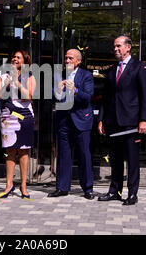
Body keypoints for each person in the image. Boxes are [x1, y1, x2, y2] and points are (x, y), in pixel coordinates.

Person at [97, 35, 146, 205]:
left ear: (128, 47)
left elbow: (145, 96)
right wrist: (101, 119)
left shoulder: (138, 67)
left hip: (131, 122)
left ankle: (132, 193)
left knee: (132, 160)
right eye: (114, 46)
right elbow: (106, 98)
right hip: (113, 122)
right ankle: (115, 191)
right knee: (115, 159)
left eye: (119, 46)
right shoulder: (112, 70)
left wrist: (143, 119)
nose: (115, 49)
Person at [48, 49, 95, 200]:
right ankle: (62, 187)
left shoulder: (86, 75)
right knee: (63, 155)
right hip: (64, 121)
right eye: (66, 58)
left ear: (78, 61)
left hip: (81, 120)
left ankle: (87, 189)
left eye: (70, 58)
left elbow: (88, 97)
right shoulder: (59, 76)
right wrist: (57, 90)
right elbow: (51, 97)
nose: (67, 61)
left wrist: (74, 89)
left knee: (84, 155)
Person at [0, 50, 36, 199]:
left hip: (24, 116)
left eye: (18, 57)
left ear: (24, 61)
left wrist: (16, 82)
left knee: (24, 151)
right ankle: (9, 185)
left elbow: (29, 96)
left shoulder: (29, 77)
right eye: (13, 57)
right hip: (8, 116)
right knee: (10, 151)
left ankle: (23, 186)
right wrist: (6, 81)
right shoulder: (4, 75)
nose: (14, 59)